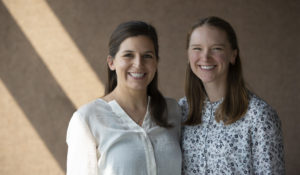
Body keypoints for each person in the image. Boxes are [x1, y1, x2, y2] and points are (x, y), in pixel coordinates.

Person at [66, 21, 182, 175]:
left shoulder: (173, 111)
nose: (138, 64)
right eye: (128, 55)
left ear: (156, 63)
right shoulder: (87, 119)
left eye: (147, 56)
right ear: (111, 62)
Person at [179, 16, 285, 174]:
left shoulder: (259, 116)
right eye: (197, 48)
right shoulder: (181, 110)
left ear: (233, 55)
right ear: (188, 55)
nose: (205, 57)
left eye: (216, 48)